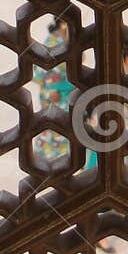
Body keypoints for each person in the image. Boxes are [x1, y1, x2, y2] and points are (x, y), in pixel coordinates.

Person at [32, 15, 75, 166]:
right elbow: (45, 69)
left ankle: (63, 158)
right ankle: (53, 159)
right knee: (55, 124)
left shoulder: (65, 39)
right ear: (63, 24)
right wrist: (52, 89)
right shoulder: (53, 42)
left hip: (65, 92)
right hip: (55, 94)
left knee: (63, 124)